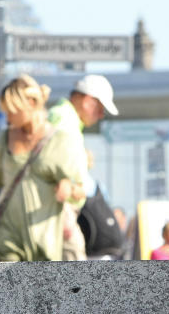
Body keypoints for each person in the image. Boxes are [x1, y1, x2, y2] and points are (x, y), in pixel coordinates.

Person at [0, 74, 85, 261]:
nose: (8, 117)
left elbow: (80, 190)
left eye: (12, 110)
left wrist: (69, 187)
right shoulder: (4, 138)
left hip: (46, 243)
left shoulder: (61, 141)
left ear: (32, 103)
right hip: (8, 240)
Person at [48, 74, 120, 260]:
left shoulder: (64, 118)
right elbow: (53, 165)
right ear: (88, 102)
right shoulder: (65, 119)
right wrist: (64, 213)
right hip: (60, 208)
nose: (101, 115)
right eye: (100, 109)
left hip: (59, 208)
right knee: (76, 274)